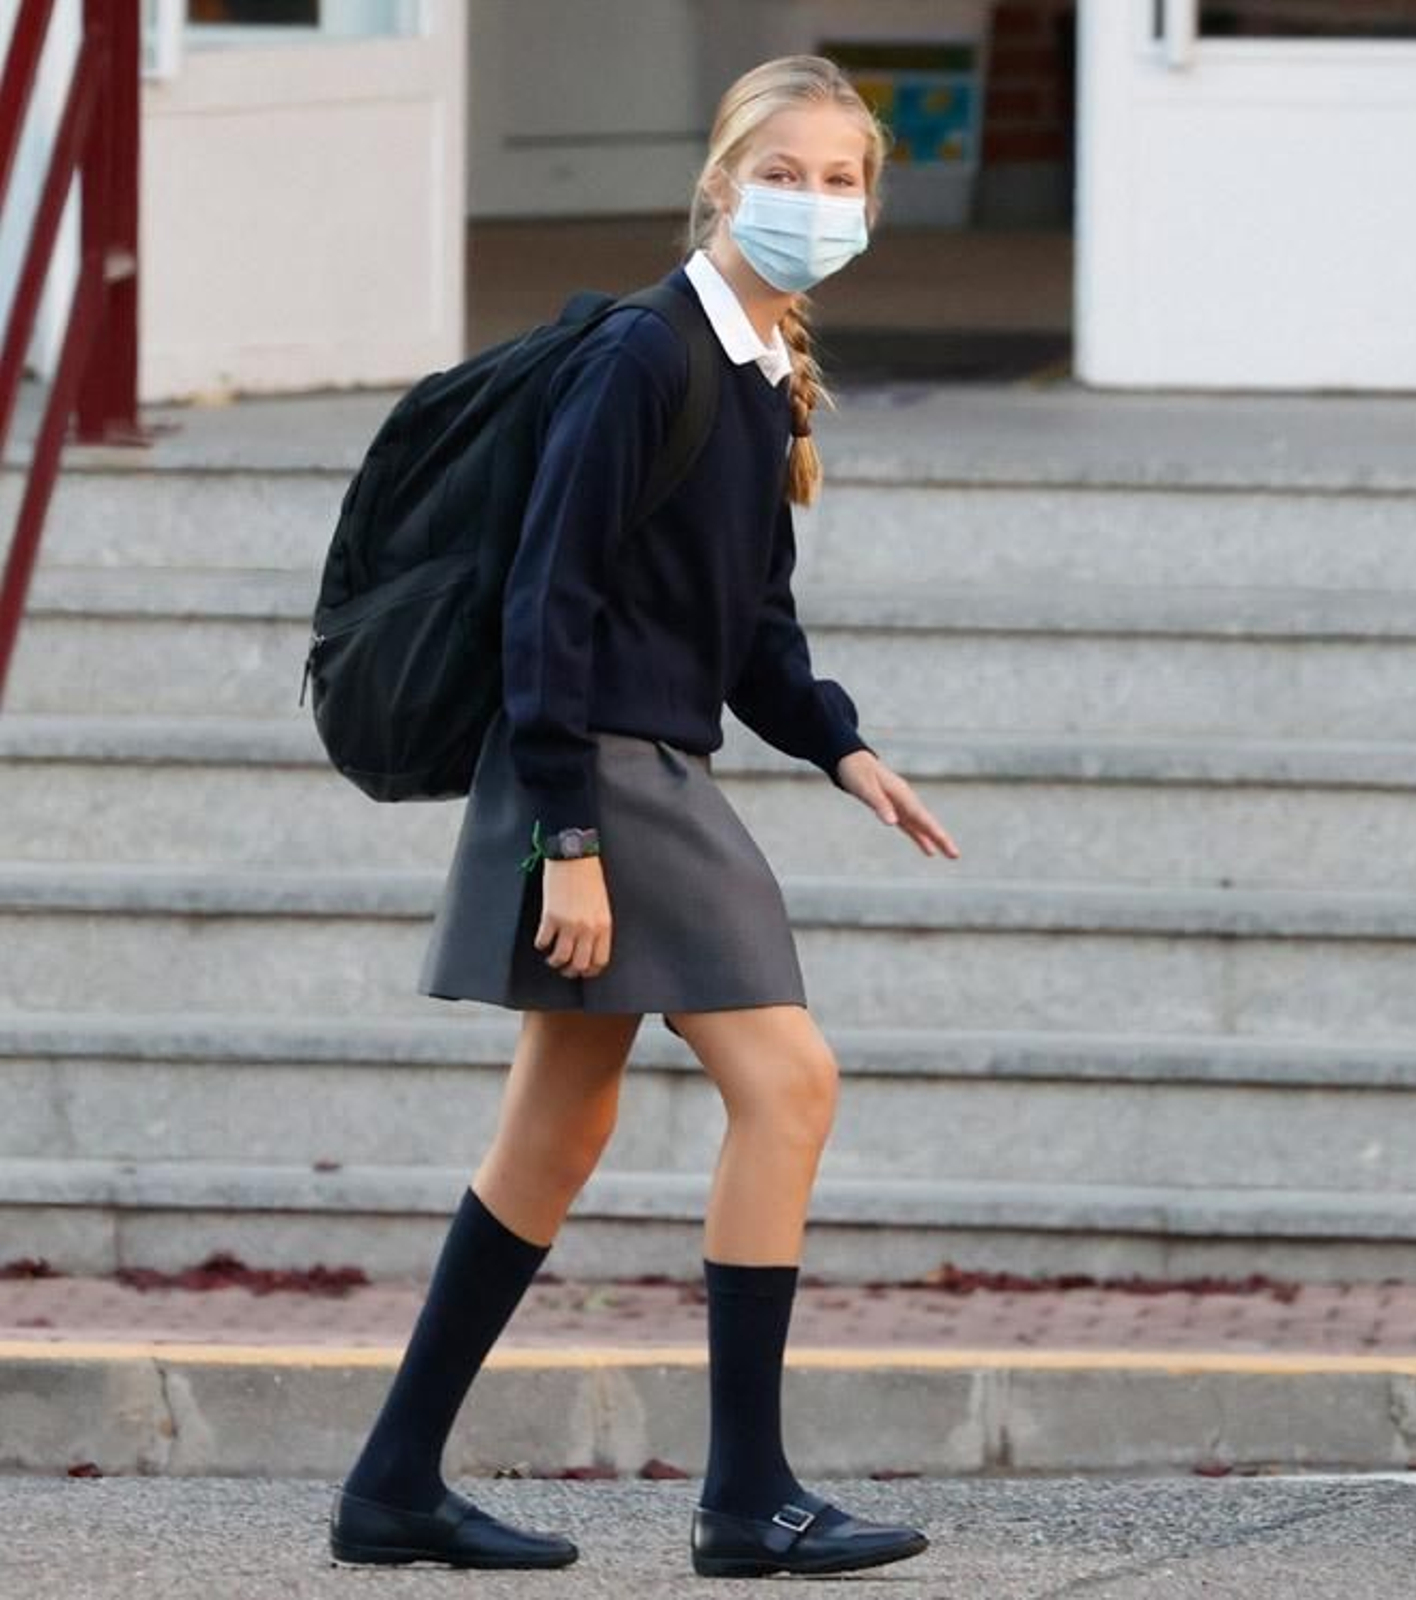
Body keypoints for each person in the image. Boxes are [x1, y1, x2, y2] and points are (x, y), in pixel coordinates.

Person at [327, 53, 960, 1579]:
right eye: (788, 173)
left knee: (556, 1129)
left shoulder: (753, 368)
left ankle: (393, 1484)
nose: (815, 202)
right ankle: (747, 1499)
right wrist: (568, 837)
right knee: (790, 1086)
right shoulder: (646, 358)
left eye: (842, 181)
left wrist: (842, 748)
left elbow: (751, 624)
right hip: (603, 770)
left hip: (644, 759)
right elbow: (550, 600)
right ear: (724, 179)